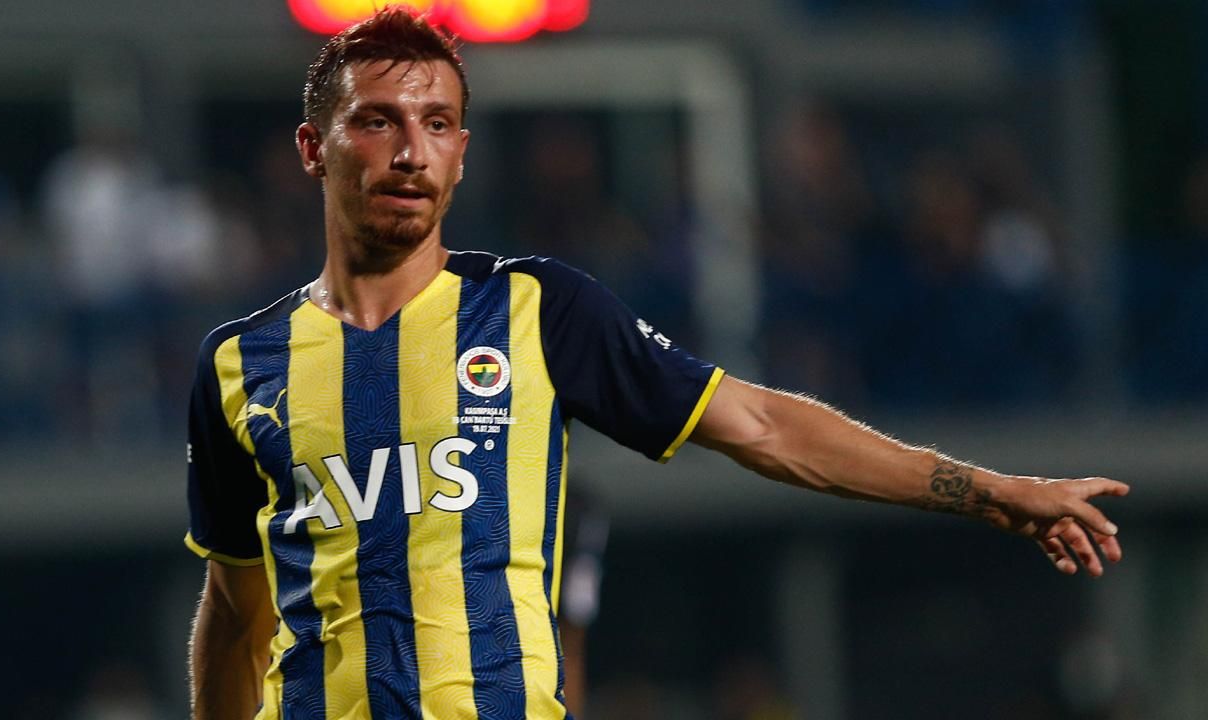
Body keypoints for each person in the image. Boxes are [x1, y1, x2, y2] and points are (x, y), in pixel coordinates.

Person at [184, 9, 1129, 720]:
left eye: (437, 124)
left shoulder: (537, 310)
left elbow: (765, 426)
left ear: (463, 154)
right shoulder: (240, 363)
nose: (410, 152)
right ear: (313, 148)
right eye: (378, 121)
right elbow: (236, 615)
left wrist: (989, 491)